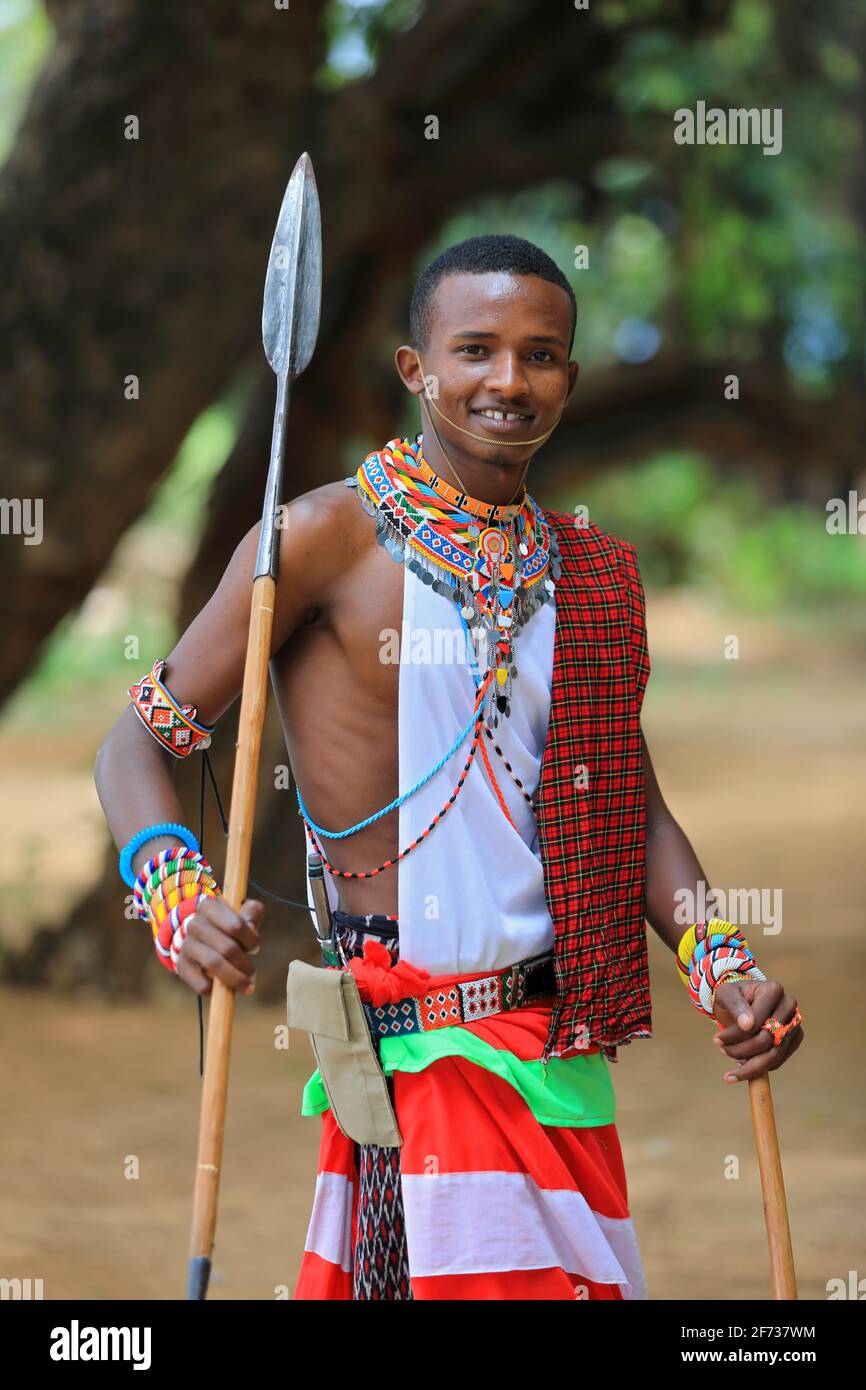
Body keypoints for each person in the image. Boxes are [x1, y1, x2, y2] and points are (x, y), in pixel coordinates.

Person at [94, 234, 804, 1301]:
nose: (507, 381)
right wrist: (178, 893)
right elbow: (137, 741)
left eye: (541, 354)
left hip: (556, 1049)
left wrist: (720, 965)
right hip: (414, 1056)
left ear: (568, 374)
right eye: (474, 349)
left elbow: (631, 807)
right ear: (414, 369)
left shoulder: (590, 573)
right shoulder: (319, 539)